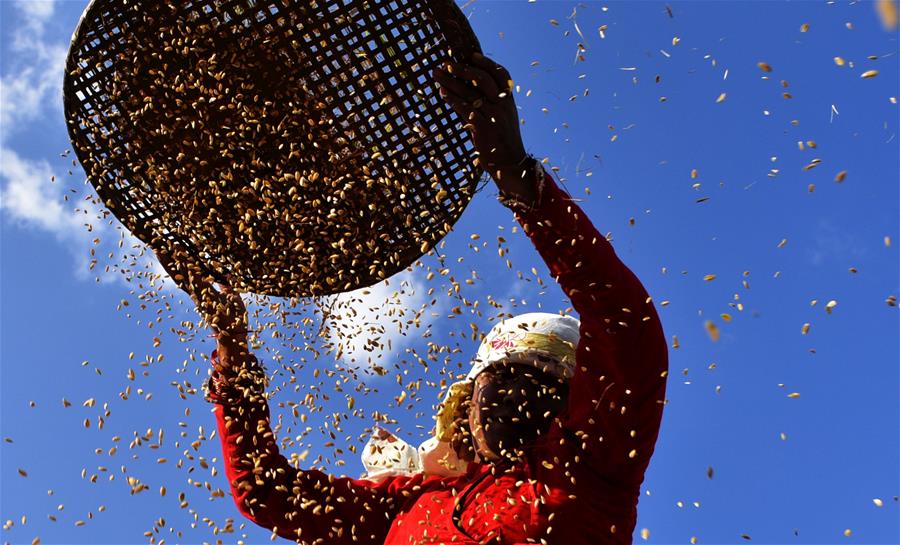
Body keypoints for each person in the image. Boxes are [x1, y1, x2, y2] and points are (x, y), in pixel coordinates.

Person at [159, 52, 668, 545]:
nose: (512, 395)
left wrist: (515, 172)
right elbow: (267, 492)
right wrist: (232, 347)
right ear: (465, 408)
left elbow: (626, 325)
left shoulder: (590, 472)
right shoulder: (410, 504)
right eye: (502, 377)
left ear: (571, 404)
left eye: (539, 383)